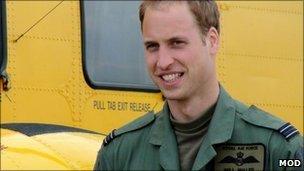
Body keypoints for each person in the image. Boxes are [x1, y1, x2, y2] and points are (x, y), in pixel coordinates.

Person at [94, 1, 303, 170]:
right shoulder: (119, 155)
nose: (163, 61)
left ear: (212, 40)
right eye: (152, 46)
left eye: (177, 43)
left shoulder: (280, 151)